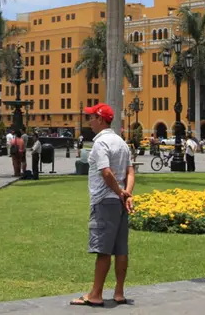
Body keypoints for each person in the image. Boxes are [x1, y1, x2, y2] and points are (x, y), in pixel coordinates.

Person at [70, 104, 133, 308]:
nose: (89, 122)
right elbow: (130, 171)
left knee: (103, 250)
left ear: (100, 119)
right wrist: (126, 193)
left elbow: (106, 172)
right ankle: (119, 292)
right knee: (121, 249)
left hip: (105, 201)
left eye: (91, 118)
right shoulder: (122, 142)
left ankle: (95, 294)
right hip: (120, 202)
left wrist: (118, 192)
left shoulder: (101, 143)